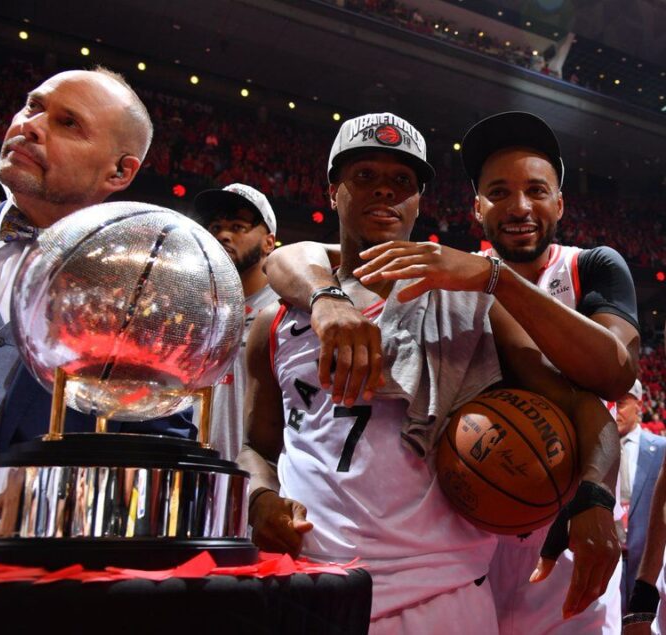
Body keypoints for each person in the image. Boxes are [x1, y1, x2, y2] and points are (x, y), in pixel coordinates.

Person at [239, 112, 619, 633]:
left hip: (439, 596)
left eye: (402, 181)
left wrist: (595, 494)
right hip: (305, 583)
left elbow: (584, 406)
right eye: (365, 175)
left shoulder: (472, 308)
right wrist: (259, 496)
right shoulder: (275, 320)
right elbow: (257, 447)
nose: (384, 191)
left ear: (419, 200)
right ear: (332, 190)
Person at [0, 67, 192, 466]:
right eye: (33, 106)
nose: (30, 126)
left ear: (120, 171)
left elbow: (158, 448)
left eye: (68, 123)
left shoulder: (147, 302)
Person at [193, 183, 277, 460]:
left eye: (238, 227)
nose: (223, 235)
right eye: (216, 227)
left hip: (257, 475)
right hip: (198, 469)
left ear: (269, 242)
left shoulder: (284, 310)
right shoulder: (198, 309)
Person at [616, 379, 666, 612]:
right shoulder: (594, 451)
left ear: (639, 405)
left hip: (648, 565)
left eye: (620, 403)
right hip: (606, 563)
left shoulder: (662, 448)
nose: (614, 411)